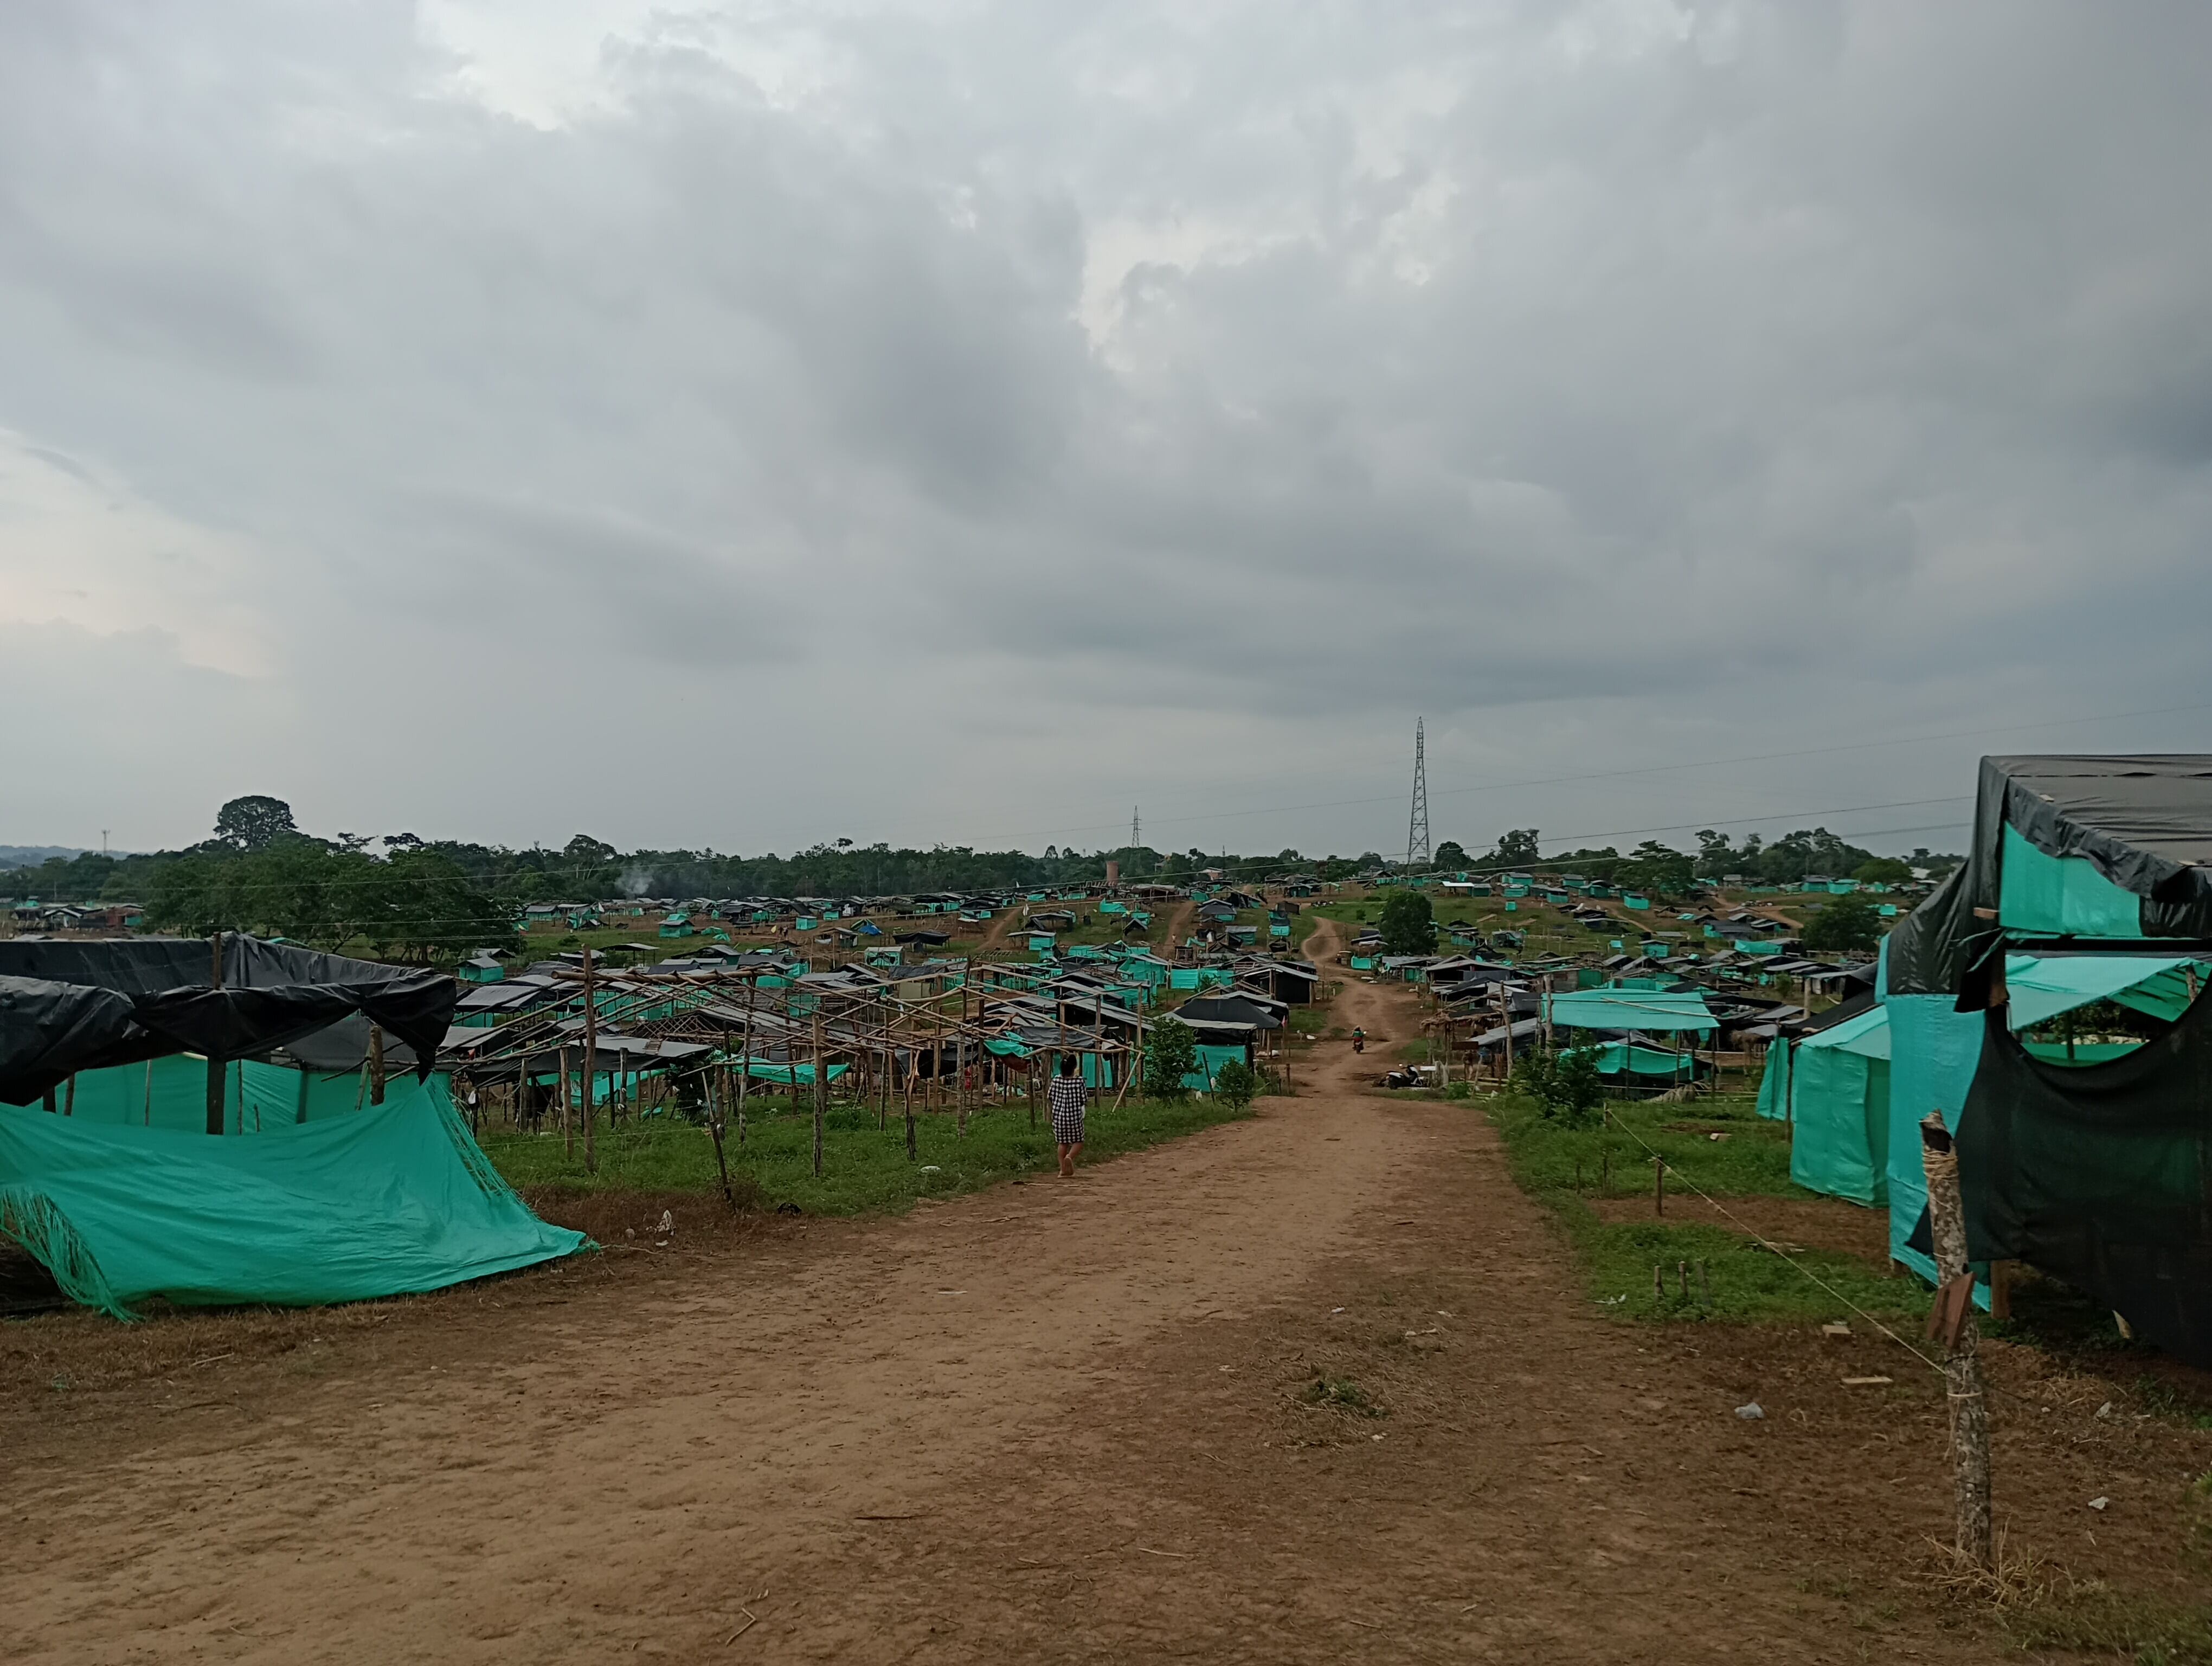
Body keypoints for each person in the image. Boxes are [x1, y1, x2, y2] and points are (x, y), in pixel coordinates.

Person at [1048, 1054, 1088, 1177]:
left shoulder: (1056, 1080)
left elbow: (1050, 1096)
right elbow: (1084, 1099)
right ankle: (1069, 1157)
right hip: (1074, 1118)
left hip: (1059, 1118)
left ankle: (1062, 1170)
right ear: (1075, 1067)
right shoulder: (1079, 1081)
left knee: (1062, 1143)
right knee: (1079, 1141)